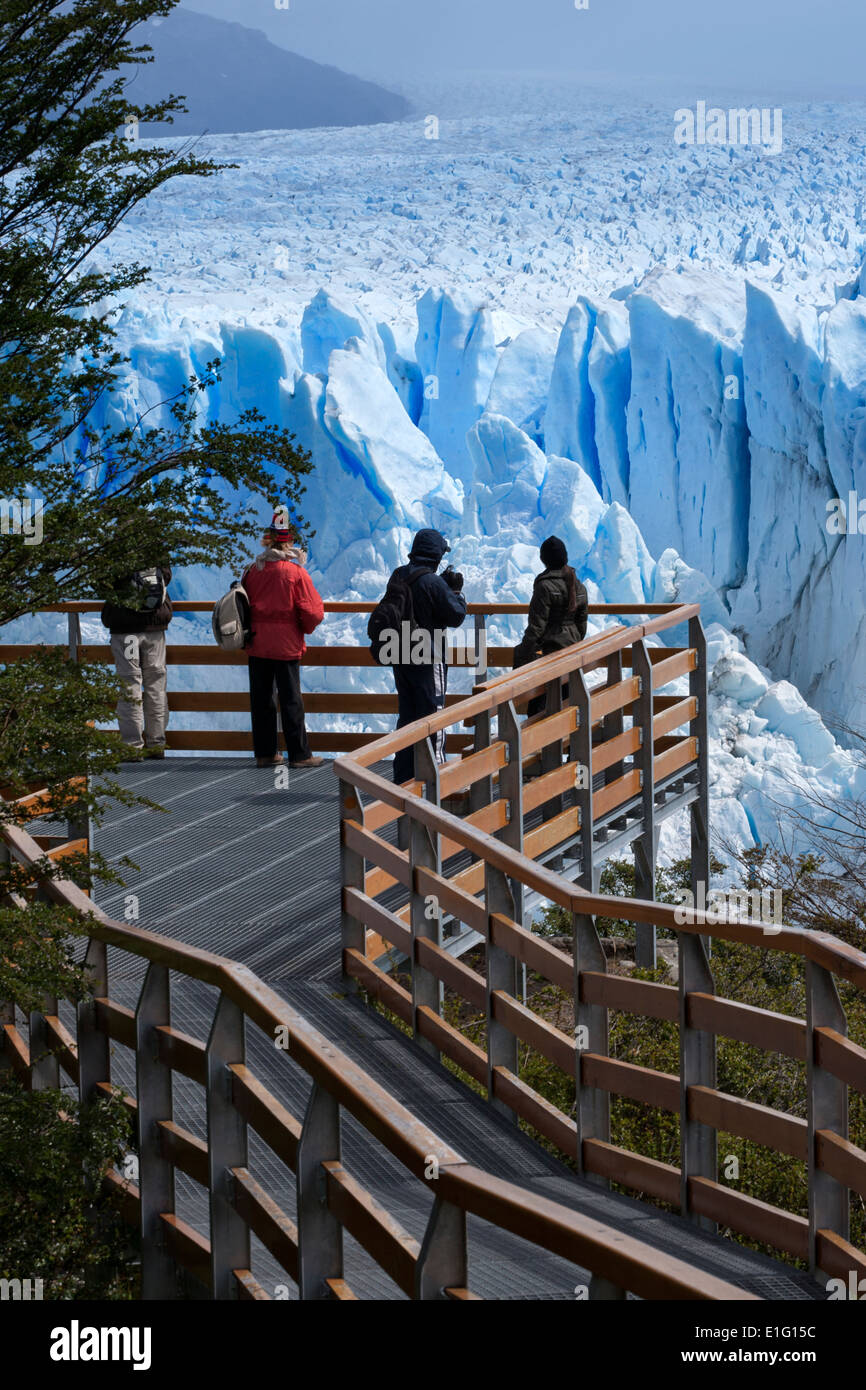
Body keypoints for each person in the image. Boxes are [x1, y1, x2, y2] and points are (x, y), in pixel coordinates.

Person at [242, 511, 325, 769]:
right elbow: (313, 611)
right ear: (289, 544)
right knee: (290, 699)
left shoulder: (252, 571)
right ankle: (300, 755)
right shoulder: (295, 573)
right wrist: (303, 628)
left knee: (262, 699)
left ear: (267, 542)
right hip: (286, 644)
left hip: (257, 643)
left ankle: (266, 754)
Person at [387, 528, 467, 785]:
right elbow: (455, 616)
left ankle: (404, 778)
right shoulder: (432, 582)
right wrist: (455, 591)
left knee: (408, 715)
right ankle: (436, 779)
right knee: (434, 715)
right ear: (436, 556)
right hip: (427, 655)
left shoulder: (398, 575)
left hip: (400, 652)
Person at [102, 562, 174, 758]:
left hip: (125, 629)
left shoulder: (116, 546)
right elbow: (165, 576)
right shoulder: (154, 543)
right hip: (154, 628)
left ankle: (132, 746)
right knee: (156, 685)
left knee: (130, 683)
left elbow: (102, 581)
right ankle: (156, 744)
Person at [513, 536, 588, 716]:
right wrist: (573, 642)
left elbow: (537, 627)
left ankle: (541, 743)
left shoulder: (545, 586)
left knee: (540, 709)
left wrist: (523, 654)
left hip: (548, 655)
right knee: (568, 706)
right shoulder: (578, 585)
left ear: (543, 559)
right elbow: (582, 624)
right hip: (572, 652)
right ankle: (568, 744)